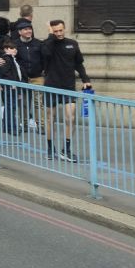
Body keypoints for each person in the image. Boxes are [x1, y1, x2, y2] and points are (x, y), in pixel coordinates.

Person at [41, 19, 91, 163]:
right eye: (55, 31)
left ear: (65, 28)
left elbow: (79, 64)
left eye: (60, 30)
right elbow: (46, 54)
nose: (59, 33)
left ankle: (66, 150)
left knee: (71, 118)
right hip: (51, 85)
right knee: (51, 118)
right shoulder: (47, 43)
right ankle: (50, 149)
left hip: (68, 86)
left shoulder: (72, 43)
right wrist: (50, 36)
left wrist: (85, 79)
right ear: (52, 31)